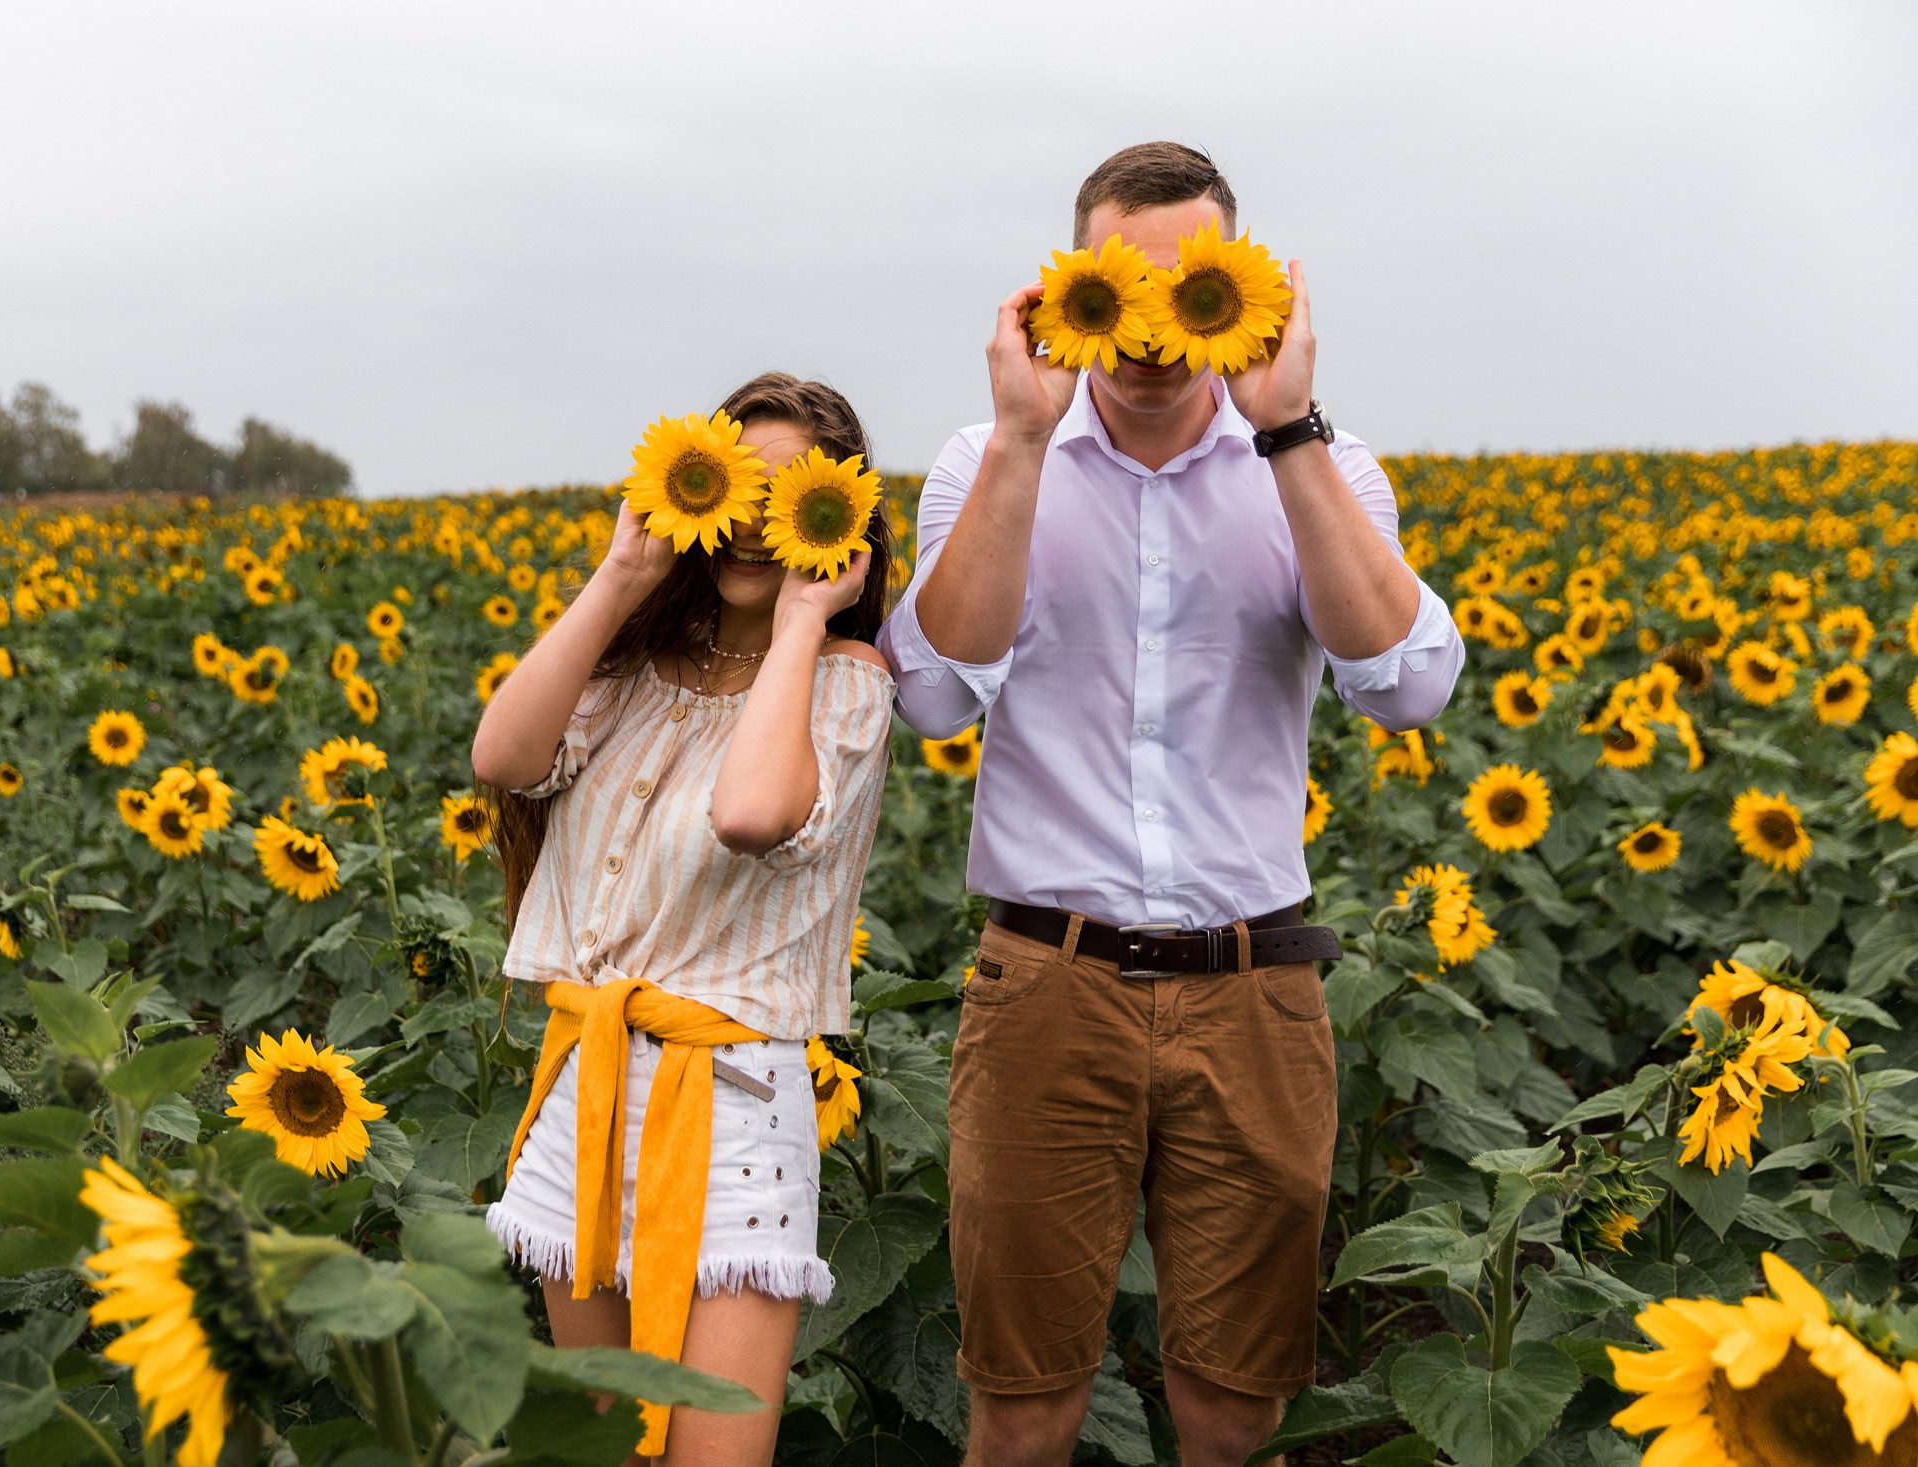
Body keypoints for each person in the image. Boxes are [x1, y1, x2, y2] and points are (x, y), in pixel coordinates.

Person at [876, 143, 1464, 1467]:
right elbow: (931, 695)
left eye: (1189, 287)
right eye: (1118, 289)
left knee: (1235, 1405)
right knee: (1021, 1403)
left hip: (1255, 984)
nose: (1149, 327)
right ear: (1066, 287)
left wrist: (1290, 429)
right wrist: (1029, 435)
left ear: (1244, 291)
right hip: (1048, 978)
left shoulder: (1323, 465)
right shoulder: (987, 458)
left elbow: (1409, 685)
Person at [471, 373, 896, 1464]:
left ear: (837, 512)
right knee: (602, 1448)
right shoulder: (626, 674)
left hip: (734, 1115)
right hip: (589, 1092)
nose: (753, 523)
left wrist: (806, 615)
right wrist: (623, 573)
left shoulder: (843, 682)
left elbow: (753, 813)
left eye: (789, 495)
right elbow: (503, 760)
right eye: (733, 490)